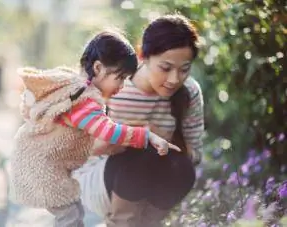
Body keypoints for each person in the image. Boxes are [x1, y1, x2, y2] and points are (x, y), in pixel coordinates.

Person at [10, 31, 180, 227]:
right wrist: (148, 136)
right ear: (98, 68)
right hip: (42, 167)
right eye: (120, 77)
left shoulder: (76, 89)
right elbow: (108, 131)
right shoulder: (83, 99)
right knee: (70, 217)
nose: (123, 86)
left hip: (41, 163)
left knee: (72, 212)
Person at [73, 14, 204, 227]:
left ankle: (149, 223)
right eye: (165, 68)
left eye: (184, 70)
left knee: (182, 167)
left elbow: (195, 154)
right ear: (144, 56)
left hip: (154, 180)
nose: (174, 79)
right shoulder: (115, 87)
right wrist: (135, 135)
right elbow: (74, 151)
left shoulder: (189, 92)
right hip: (100, 179)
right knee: (140, 155)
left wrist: (163, 140)